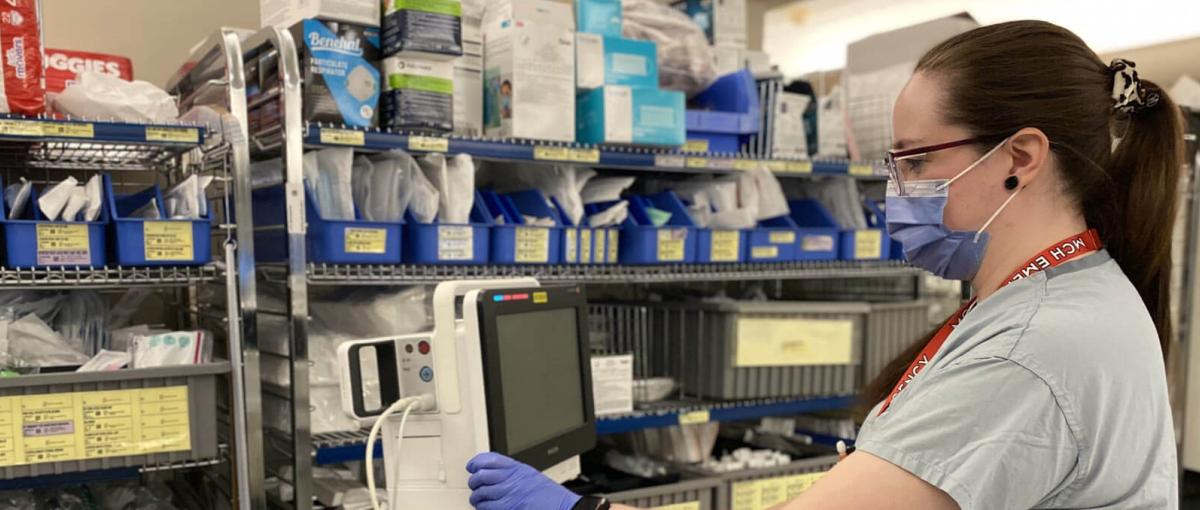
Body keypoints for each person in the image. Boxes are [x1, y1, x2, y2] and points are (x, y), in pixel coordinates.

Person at [464, 19, 1183, 510]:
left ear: (1019, 159)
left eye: (917, 160)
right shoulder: (1057, 299)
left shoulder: (1034, 350)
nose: (895, 191)